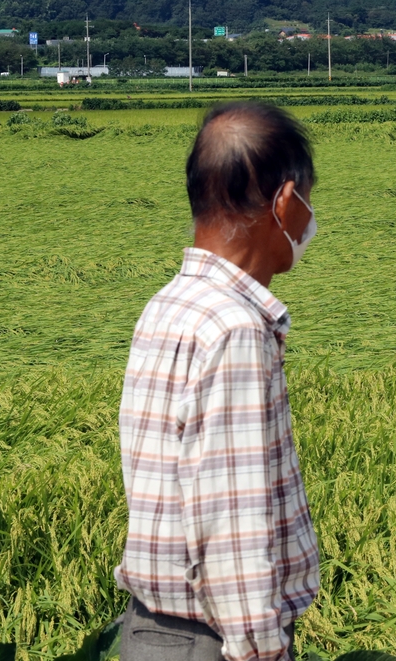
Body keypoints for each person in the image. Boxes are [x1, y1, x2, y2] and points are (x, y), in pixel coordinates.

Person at [115, 101, 320, 661]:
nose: (308, 220)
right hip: (210, 642)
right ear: (284, 202)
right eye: (306, 200)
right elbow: (231, 528)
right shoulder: (234, 328)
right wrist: (262, 651)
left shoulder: (169, 305)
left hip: (153, 632)